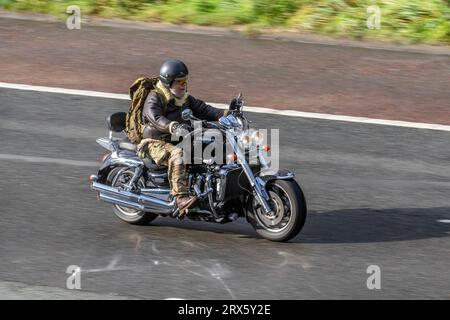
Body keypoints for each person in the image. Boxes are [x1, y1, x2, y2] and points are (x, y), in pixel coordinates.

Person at [137, 59, 227, 218]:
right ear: (168, 82)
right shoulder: (155, 98)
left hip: (177, 138)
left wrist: (225, 115)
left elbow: (204, 109)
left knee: (213, 142)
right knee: (179, 154)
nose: (183, 85)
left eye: (185, 81)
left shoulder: (184, 97)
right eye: (179, 82)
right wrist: (172, 126)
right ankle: (180, 198)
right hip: (156, 142)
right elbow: (155, 117)